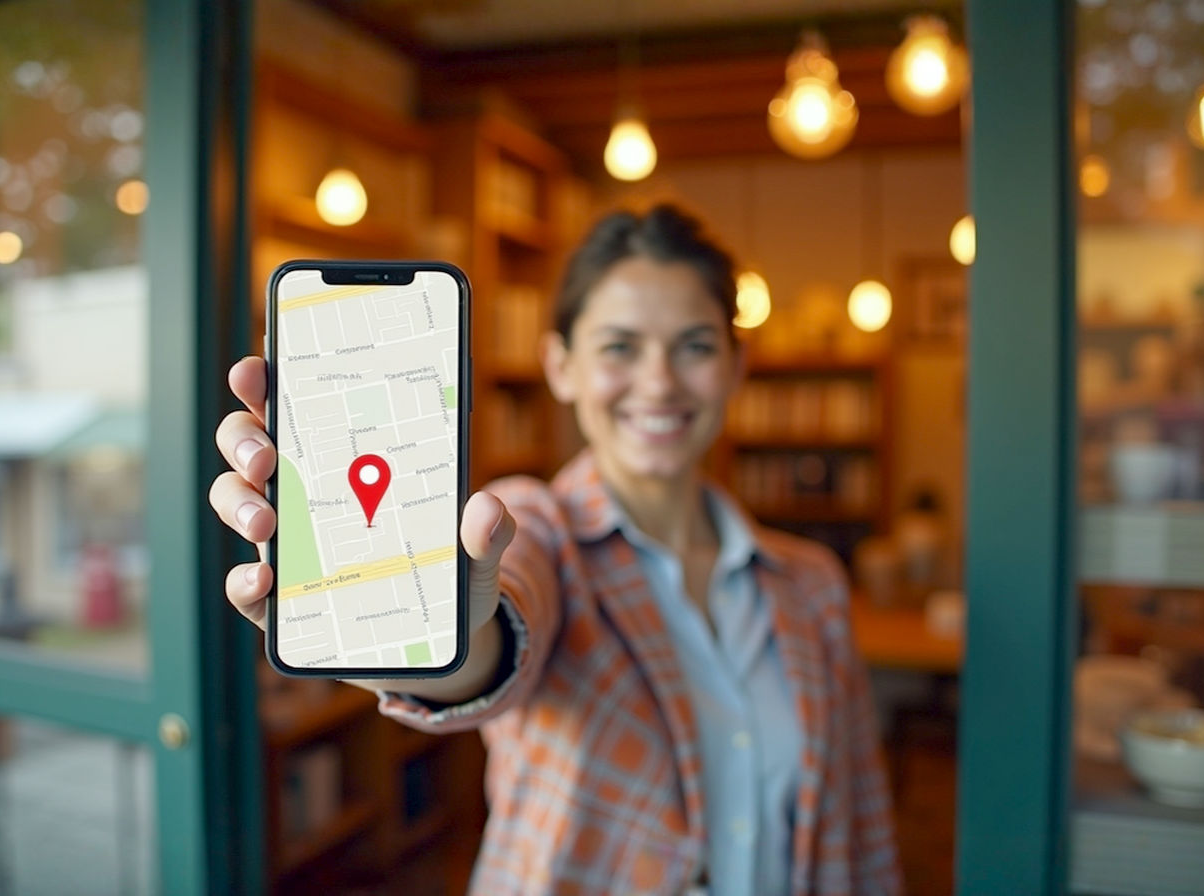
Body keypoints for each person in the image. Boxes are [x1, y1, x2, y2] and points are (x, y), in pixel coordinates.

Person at [209, 204, 902, 895]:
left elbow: (860, 821)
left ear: (735, 365)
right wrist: (426, 640)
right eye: (619, 347)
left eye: (694, 345)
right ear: (561, 365)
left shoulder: (811, 583)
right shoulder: (536, 527)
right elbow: (495, 645)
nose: (659, 381)